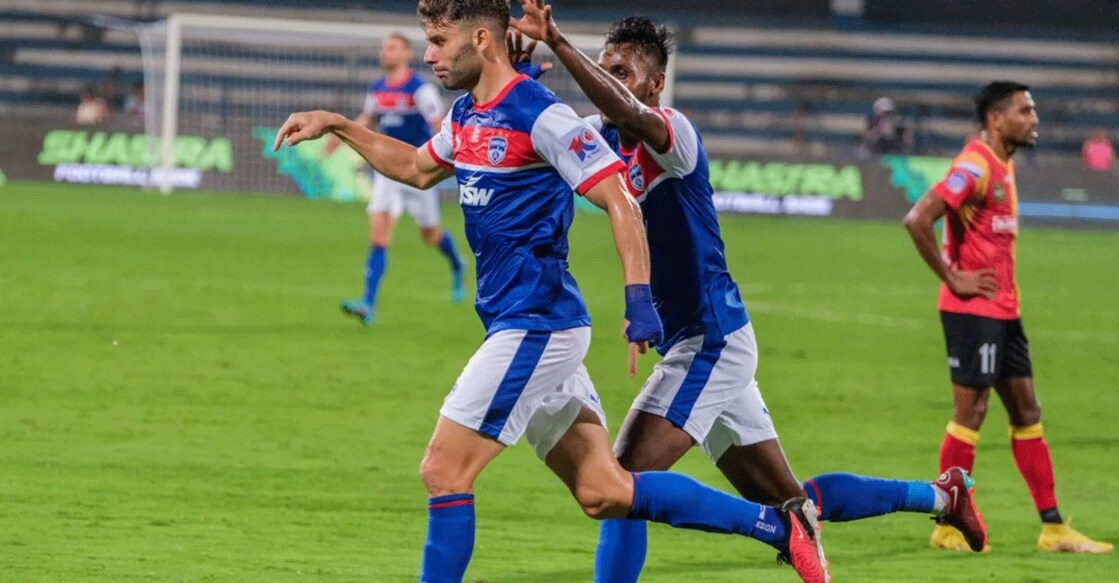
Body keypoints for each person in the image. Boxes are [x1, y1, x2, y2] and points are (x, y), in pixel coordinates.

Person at [273, 2, 830, 582]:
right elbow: (414, 166)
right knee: (605, 491)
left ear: (482, 39)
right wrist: (337, 122)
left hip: (538, 325)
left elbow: (619, 198)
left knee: (443, 469)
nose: (429, 55)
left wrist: (638, 301)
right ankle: (779, 526)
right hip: (514, 323)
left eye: (439, 41)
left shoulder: (542, 115)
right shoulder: (467, 115)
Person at [508, 7, 986, 581]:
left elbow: (622, 108)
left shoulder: (672, 132)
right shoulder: (606, 143)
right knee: (795, 501)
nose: (612, 79)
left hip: (711, 342)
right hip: (701, 344)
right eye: (605, 67)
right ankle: (941, 496)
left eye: (624, 70)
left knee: (620, 485)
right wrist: (520, 79)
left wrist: (558, 41)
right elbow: (548, 134)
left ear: (655, 83)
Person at [904, 81, 1112, 554]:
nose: (1035, 117)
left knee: (1026, 410)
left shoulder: (1002, 162)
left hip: (1004, 311)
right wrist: (953, 277)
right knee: (970, 413)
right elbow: (918, 219)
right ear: (997, 119)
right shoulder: (975, 165)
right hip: (972, 311)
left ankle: (1054, 528)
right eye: (1025, 110)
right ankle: (946, 524)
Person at [324, 32, 465, 325]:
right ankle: (368, 304)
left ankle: (457, 265)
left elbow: (440, 127)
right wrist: (340, 135)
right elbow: (367, 119)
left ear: (405, 54)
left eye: (391, 48)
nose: (385, 52)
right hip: (388, 173)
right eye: (383, 48)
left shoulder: (420, 89)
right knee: (378, 236)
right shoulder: (376, 89)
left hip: (418, 171)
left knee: (430, 236)